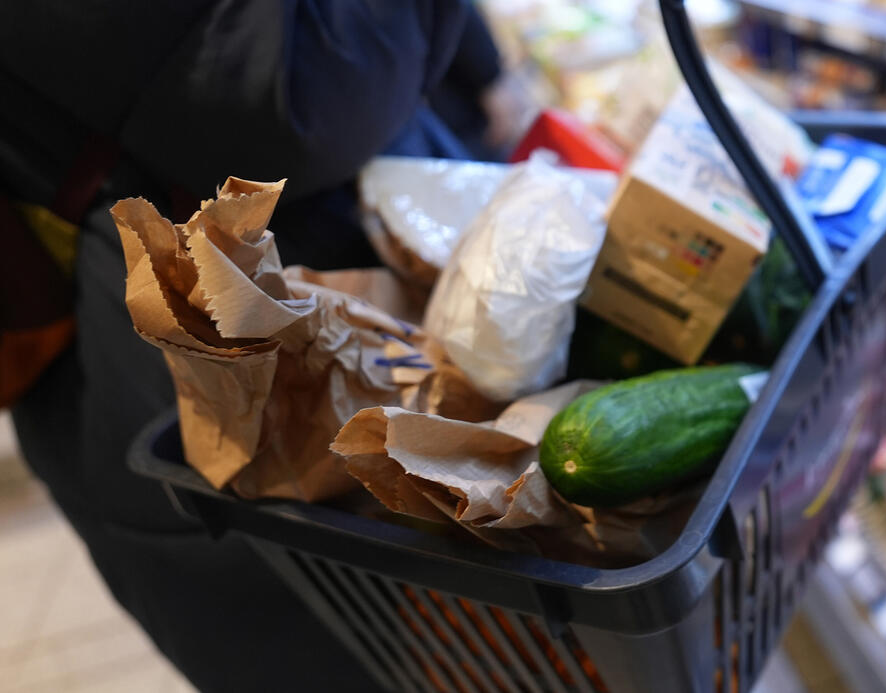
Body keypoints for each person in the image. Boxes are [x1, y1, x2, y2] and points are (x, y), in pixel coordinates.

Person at [0, 3, 526, 690]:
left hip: (190, 307)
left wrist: (476, 60)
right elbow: (284, 102)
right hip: (210, 331)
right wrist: (475, 60)